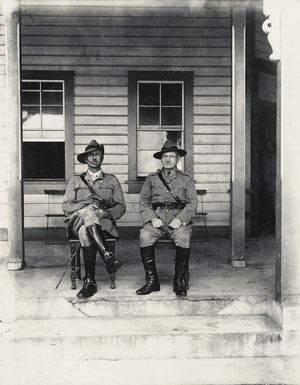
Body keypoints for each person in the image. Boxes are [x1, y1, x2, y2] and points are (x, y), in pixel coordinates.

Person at [62, 139, 126, 298]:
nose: (94, 158)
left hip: (103, 224)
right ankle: (107, 256)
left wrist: (106, 214)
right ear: (85, 159)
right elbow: (66, 207)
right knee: (88, 212)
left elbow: (121, 206)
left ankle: (90, 282)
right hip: (76, 222)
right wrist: (85, 206)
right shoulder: (75, 180)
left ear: (102, 157)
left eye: (98, 154)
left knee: (86, 232)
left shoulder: (112, 180)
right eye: (91, 155)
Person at [137, 139, 198, 296]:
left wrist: (180, 219)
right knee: (144, 236)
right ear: (161, 158)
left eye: (172, 156)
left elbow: (192, 203)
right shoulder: (152, 179)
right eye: (165, 156)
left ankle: (179, 281)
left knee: (183, 237)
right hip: (156, 220)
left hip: (177, 221)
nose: (168, 159)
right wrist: (151, 218)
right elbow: (143, 202)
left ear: (178, 158)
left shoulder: (186, 179)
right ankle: (152, 281)